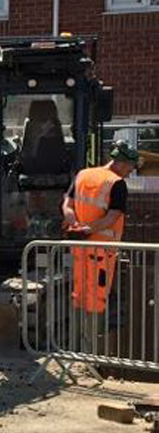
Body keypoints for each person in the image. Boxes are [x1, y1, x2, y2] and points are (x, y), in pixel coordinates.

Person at [61, 139, 139, 352]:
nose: (131, 172)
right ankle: (91, 351)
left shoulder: (83, 175)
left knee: (78, 295)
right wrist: (89, 229)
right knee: (97, 299)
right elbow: (113, 215)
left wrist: (74, 223)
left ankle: (75, 347)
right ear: (122, 163)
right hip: (102, 251)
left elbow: (67, 205)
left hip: (80, 249)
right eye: (131, 167)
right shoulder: (116, 183)